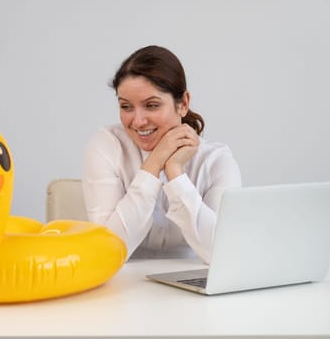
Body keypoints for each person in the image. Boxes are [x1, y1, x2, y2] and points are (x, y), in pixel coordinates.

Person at [82, 45, 241, 264]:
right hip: (123, 284)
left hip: (193, 279)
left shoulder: (216, 160)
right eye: (126, 106)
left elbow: (223, 254)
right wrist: (154, 164)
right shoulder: (107, 146)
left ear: (183, 104)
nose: (137, 121)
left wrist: (175, 174)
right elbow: (106, 251)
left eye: (152, 105)